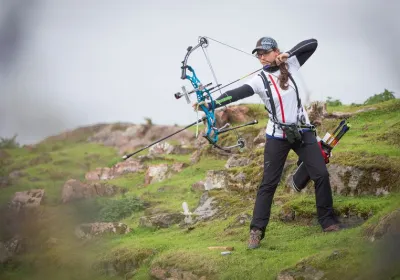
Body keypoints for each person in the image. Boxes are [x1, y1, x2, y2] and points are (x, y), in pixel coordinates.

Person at [195, 36, 340, 249]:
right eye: (259, 55)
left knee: (321, 174)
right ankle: (256, 230)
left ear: (275, 51)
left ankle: (327, 221)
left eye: (265, 53)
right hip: (277, 136)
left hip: (302, 132)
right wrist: (210, 104)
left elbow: (313, 44)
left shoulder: (290, 65)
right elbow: (236, 93)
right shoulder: (259, 80)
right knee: (268, 184)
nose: (261, 58)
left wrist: (287, 55)